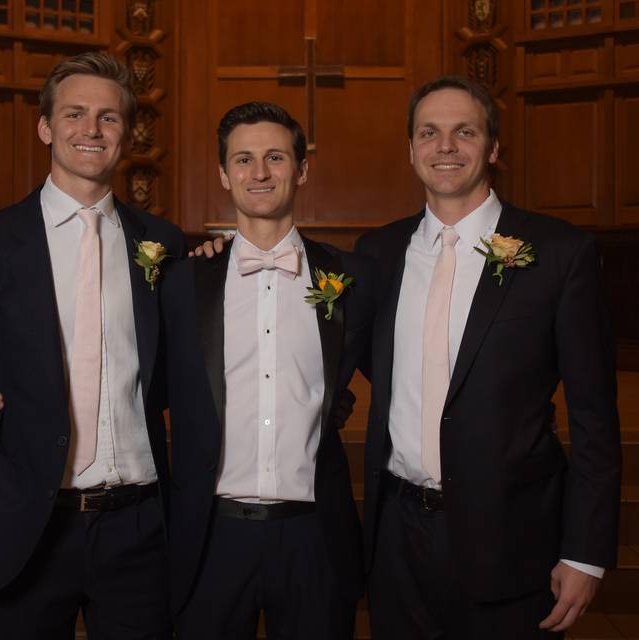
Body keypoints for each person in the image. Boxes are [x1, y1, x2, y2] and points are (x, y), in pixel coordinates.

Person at [0, 52, 183, 639]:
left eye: (108, 118)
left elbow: (177, 374)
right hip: (27, 527)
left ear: (127, 133)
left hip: (139, 528)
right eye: (74, 114)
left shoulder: (163, 245)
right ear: (45, 126)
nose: (91, 130)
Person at [354, 75, 621, 638]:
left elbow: (596, 418)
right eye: (429, 132)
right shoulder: (377, 255)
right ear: (411, 149)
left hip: (513, 540)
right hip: (397, 539)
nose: (445, 146)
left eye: (464, 132)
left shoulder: (558, 253)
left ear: (493, 147)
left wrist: (586, 552)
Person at [161, 101, 373, 639]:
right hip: (211, 535)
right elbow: (139, 378)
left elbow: (394, 373)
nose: (258, 173)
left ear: (302, 170)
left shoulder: (352, 278)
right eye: (243, 160)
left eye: (275, 157)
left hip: (315, 537)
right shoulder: (182, 284)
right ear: (224, 174)